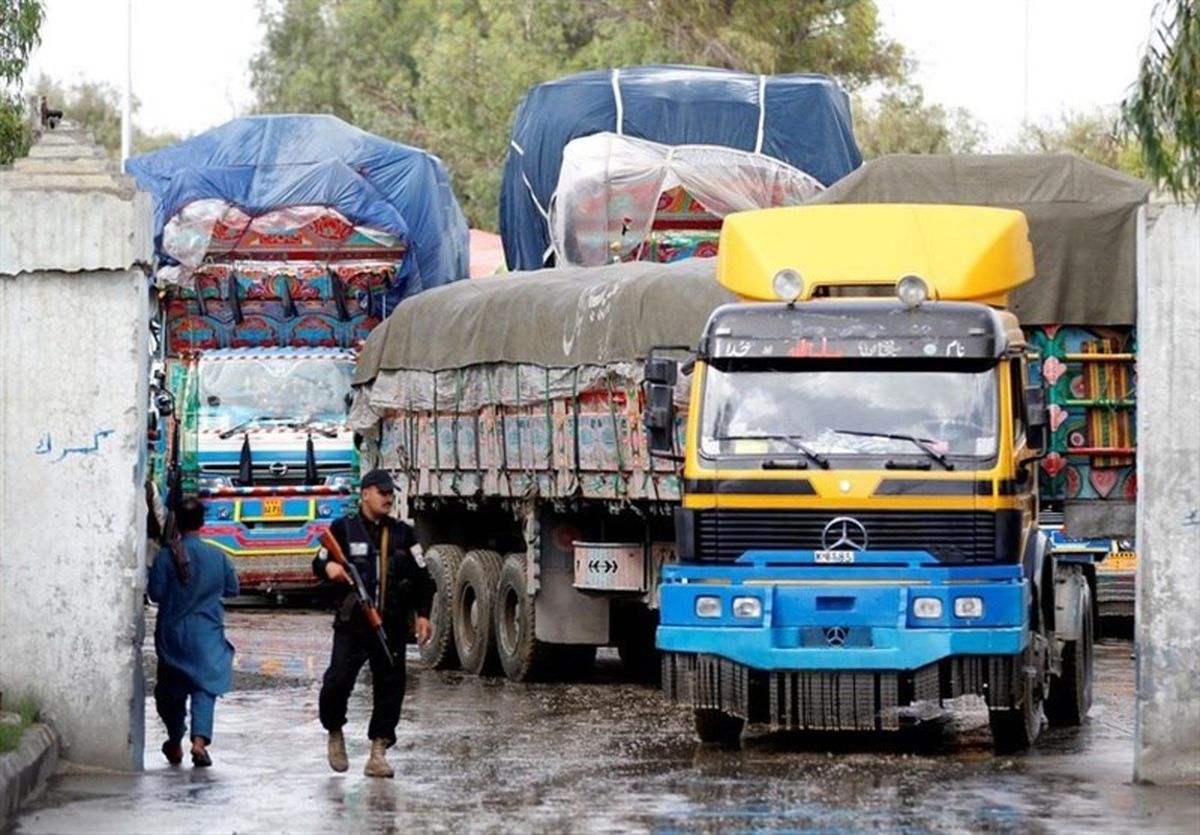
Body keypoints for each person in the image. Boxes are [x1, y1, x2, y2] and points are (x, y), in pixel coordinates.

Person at [313, 468, 434, 778]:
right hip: (352, 623)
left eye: (391, 493)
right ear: (365, 494)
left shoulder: (403, 533)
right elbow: (320, 560)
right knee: (337, 682)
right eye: (382, 492)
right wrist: (330, 570)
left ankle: (378, 751)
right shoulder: (343, 528)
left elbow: (423, 578)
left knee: (390, 688)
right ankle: (335, 729)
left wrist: (423, 615)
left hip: (390, 624)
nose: (388, 498)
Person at [147, 498, 239, 768]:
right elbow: (232, 589)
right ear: (202, 523)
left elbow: (155, 594)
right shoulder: (218, 556)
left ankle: (175, 741)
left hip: (172, 636)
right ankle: (199, 744)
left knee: (170, 691)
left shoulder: (166, 556)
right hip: (206, 635)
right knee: (204, 689)